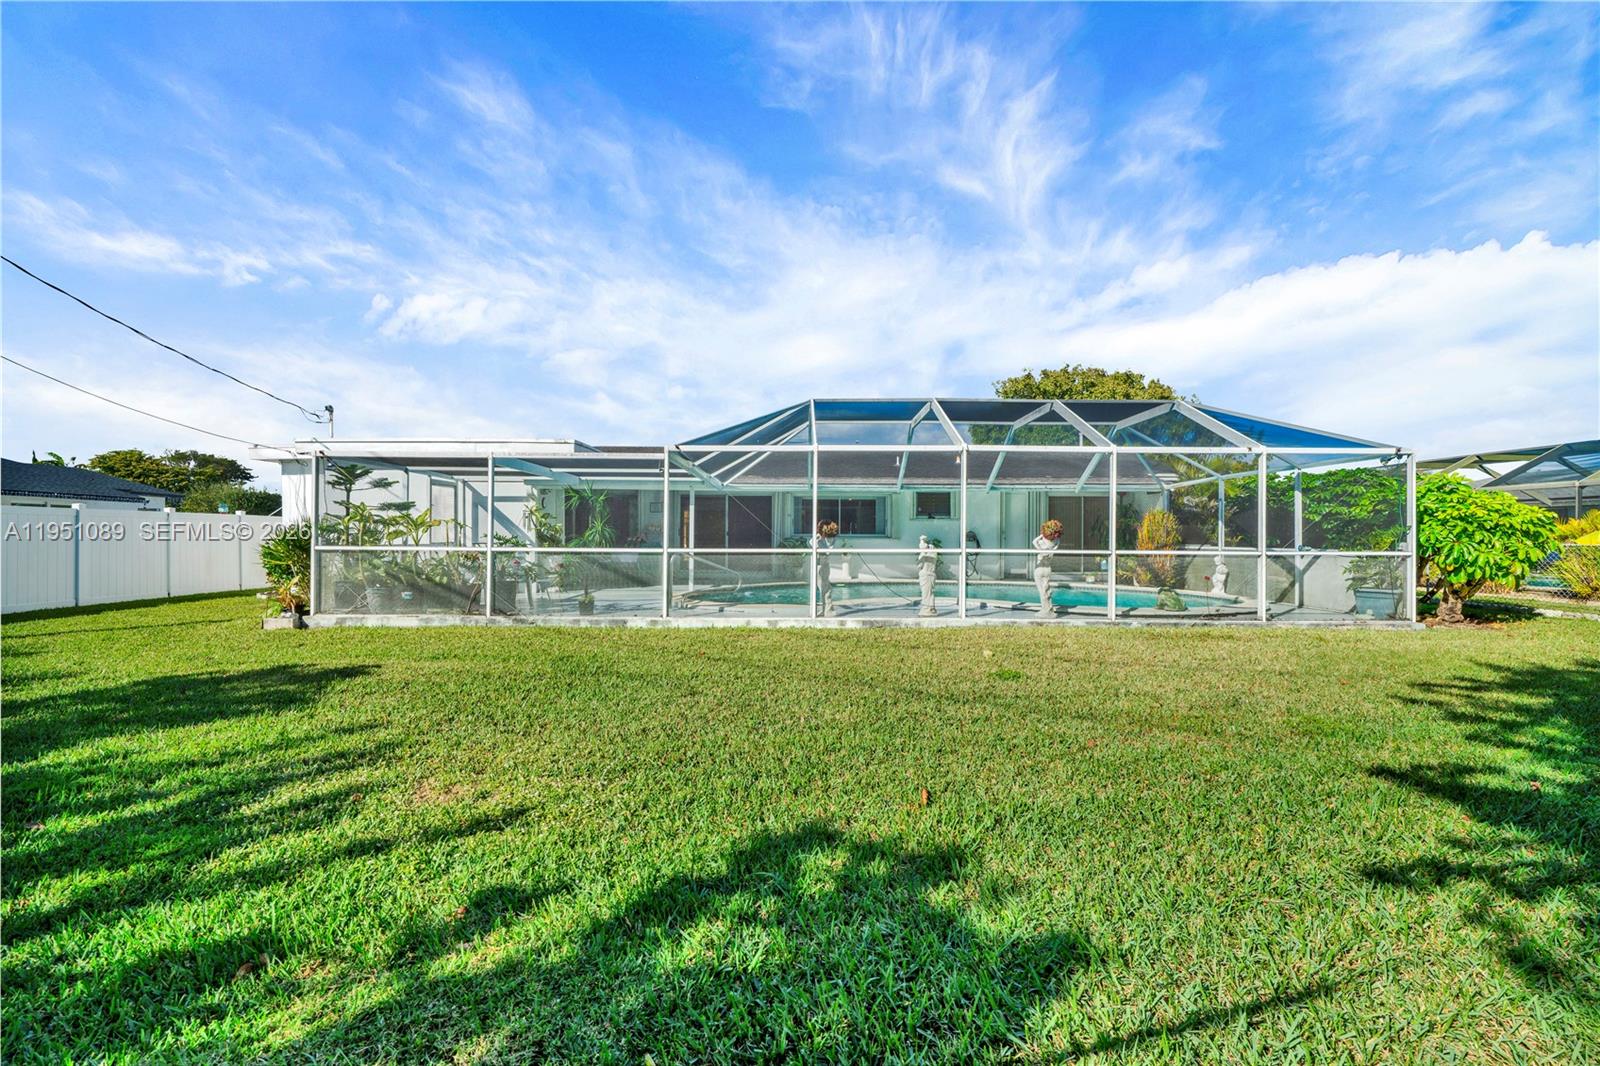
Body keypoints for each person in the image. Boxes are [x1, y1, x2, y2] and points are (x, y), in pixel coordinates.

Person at [1033, 519, 1063, 613]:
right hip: (1048, 568)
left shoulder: (1043, 541)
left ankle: (1045, 610)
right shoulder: (1056, 541)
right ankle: (1049, 608)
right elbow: (1056, 547)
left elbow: (1034, 542)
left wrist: (1040, 550)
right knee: (1047, 589)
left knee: (1042, 591)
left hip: (1039, 568)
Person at [812, 519, 839, 616]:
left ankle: (828, 609)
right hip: (818, 563)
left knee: (825, 586)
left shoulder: (829, 540)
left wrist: (820, 540)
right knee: (822, 587)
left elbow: (828, 551)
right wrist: (817, 539)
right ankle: (825, 609)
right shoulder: (819, 538)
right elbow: (811, 543)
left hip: (823, 563)